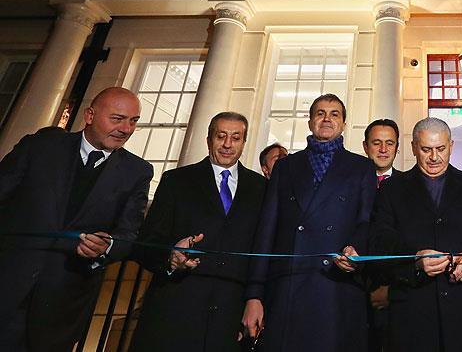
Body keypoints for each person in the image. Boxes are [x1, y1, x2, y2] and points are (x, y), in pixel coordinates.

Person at [0, 87, 153, 351]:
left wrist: (106, 246)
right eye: (117, 119)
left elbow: (129, 234)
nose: (126, 129)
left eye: (133, 121)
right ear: (89, 115)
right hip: (7, 284)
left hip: (60, 309)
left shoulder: (138, 171)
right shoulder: (40, 146)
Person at [242, 94, 377, 351]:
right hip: (288, 286)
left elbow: (367, 221)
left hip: (338, 286)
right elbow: (266, 231)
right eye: (320, 113)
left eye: (334, 114)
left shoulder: (362, 167)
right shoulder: (285, 167)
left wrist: (356, 253)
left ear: (344, 124)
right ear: (310, 121)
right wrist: (254, 294)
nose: (327, 119)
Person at [129, 112, 267, 351]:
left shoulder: (262, 188)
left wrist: (255, 299)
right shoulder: (176, 181)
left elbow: (263, 250)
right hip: (175, 311)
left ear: (244, 142)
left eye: (236, 138)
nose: (227, 144)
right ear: (208, 139)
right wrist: (171, 256)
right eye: (221, 136)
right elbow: (146, 243)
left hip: (229, 316)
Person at [369, 117, 462, 352]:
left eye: (441, 148)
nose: (434, 157)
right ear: (413, 147)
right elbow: (379, 243)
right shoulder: (391, 190)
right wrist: (415, 260)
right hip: (412, 317)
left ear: (451, 146)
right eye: (426, 149)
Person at [361, 118, 402, 352]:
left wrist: (390, 288)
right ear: (365, 146)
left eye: (390, 143)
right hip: (351, 285)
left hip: (393, 291)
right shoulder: (348, 184)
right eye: (377, 143)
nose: (383, 149)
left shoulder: (409, 187)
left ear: (397, 147)